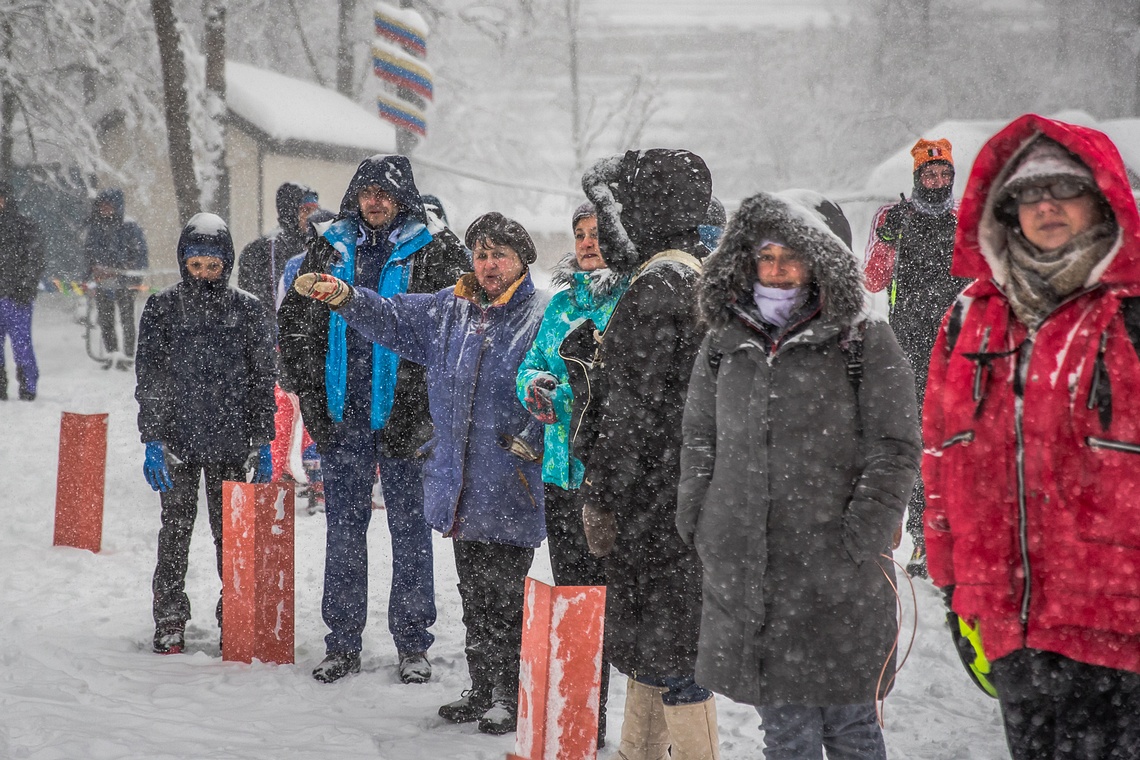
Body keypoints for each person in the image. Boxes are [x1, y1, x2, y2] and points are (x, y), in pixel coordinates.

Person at [924, 114, 1140, 759]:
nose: (1045, 206)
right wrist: (954, 588)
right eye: (1027, 196)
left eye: (1064, 190)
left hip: (1121, 622)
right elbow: (940, 460)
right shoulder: (969, 317)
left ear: (1100, 198)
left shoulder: (1131, 309)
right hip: (1009, 619)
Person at [678, 189, 921, 760]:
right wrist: (700, 520)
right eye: (767, 256)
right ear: (747, 260)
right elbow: (699, 439)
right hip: (751, 572)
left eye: (793, 254)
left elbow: (896, 447)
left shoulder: (863, 339)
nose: (780, 267)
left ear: (819, 260)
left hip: (839, 574)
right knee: (786, 735)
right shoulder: (723, 342)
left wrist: (858, 535)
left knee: (851, 729)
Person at [290, 211, 547, 735]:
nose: (489, 263)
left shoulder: (540, 315)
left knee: (505, 595)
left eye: (500, 254)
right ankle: (481, 687)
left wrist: (532, 437)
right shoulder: (449, 309)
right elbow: (389, 316)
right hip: (460, 484)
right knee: (475, 594)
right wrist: (345, 297)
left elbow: (560, 389)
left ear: (522, 261)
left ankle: (506, 692)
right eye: (481, 253)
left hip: (511, 480)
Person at [276, 155, 469, 686]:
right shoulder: (329, 246)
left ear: (403, 196)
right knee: (343, 532)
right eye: (367, 192)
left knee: (410, 533)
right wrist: (315, 402)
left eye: (385, 192)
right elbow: (295, 325)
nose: (375, 201)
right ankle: (341, 643)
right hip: (343, 420)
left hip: (407, 424)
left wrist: (427, 413)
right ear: (355, 197)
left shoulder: (436, 249)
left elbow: (454, 334)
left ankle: (413, 644)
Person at [577, 148, 720, 760]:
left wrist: (604, 496)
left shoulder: (656, 288)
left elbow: (628, 416)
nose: (610, 226)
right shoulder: (700, 281)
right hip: (691, 498)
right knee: (664, 649)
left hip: (655, 506)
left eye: (619, 208)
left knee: (671, 655)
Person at [134, 212, 276, 654]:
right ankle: (170, 617)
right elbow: (150, 378)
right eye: (196, 265)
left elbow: (261, 379)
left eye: (213, 267)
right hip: (177, 441)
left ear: (226, 265)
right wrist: (153, 439)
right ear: (183, 263)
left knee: (230, 536)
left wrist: (263, 439)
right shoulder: (161, 308)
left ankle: (233, 610)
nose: (204, 274)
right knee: (174, 531)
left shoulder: (248, 310)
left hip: (231, 443)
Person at [515, 200, 629, 747]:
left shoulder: (633, 301)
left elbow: (626, 391)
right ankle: (583, 713)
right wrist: (539, 388)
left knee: (614, 602)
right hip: (560, 476)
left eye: (598, 234)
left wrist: (581, 390)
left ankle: (627, 721)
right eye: (580, 234)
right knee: (575, 597)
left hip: (611, 480)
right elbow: (531, 367)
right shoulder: (560, 304)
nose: (587, 243)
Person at [863, 137, 965, 579]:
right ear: (917, 177)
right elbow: (872, 279)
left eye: (945, 174)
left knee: (957, 432)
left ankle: (954, 532)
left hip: (959, 338)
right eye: (931, 174)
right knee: (919, 436)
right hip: (908, 341)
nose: (938, 181)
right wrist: (886, 239)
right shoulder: (894, 217)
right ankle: (922, 536)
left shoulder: (966, 220)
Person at [82, 188, 149, 371]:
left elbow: (140, 254)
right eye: (102, 206)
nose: (105, 209)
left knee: (127, 319)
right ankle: (112, 353)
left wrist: (127, 270)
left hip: (125, 282)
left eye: (108, 205)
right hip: (102, 281)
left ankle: (128, 355)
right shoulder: (95, 227)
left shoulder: (129, 227)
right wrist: (89, 275)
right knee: (106, 319)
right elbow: (89, 254)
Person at [238, 182, 319, 322]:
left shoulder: (318, 247)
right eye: (306, 210)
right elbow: (253, 303)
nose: (312, 217)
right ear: (290, 212)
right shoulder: (262, 250)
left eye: (315, 210)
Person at [0, 180, 43, 401]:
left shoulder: (24, 226)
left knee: (21, 345)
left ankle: (28, 386)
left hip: (16, 298)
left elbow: (35, 260)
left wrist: (25, 288)